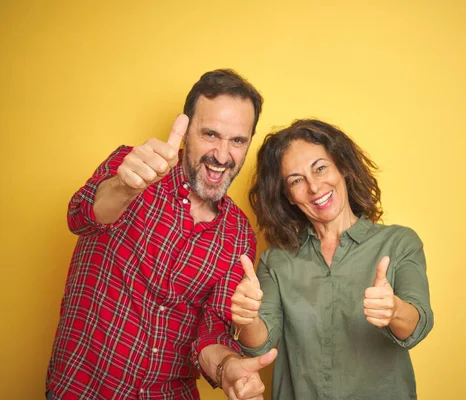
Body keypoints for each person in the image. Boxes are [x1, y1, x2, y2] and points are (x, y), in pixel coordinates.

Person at [46, 69, 277, 400]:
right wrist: (125, 187)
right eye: (210, 134)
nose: (223, 156)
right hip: (84, 388)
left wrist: (228, 369)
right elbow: (81, 216)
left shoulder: (239, 234)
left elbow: (211, 332)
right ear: (186, 132)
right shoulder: (132, 168)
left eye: (237, 140)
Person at [231, 119, 434, 400]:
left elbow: (418, 324)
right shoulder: (275, 260)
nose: (314, 187)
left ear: (343, 168)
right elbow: (261, 345)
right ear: (287, 196)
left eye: (320, 168)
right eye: (296, 180)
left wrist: (393, 310)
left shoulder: (399, 243)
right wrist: (247, 318)